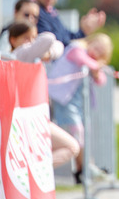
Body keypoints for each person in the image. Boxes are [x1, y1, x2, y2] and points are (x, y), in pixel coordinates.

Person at [7, 21, 80, 168]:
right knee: (71, 146)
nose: (31, 42)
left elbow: (59, 46)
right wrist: (45, 52)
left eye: (34, 38)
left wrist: (48, 53)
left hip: (35, 116)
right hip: (23, 118)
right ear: (13, 40)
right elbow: (48, 38)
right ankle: (34, 171)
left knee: (71, 146)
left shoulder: (33, 55)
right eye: (26, 38)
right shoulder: (19, 54)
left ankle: (34, 171)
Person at [47, 31, 113, 184]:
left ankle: (81, 169)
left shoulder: (90, 61)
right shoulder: (76, 48)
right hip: (63, 98)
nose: (96, 52)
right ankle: (86, 166)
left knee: (81, 133)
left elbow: (101, 80)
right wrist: (97, 66)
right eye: (96, 46)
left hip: (76, 101)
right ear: (91, 41)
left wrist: (97, 70)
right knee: (77, 132)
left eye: (101, 52)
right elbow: (83, 60)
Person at [32, 0, 107, 47]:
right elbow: (57, 42)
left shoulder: (51, 11)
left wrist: (84, 30)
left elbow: (66, 37)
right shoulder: (32, 12)